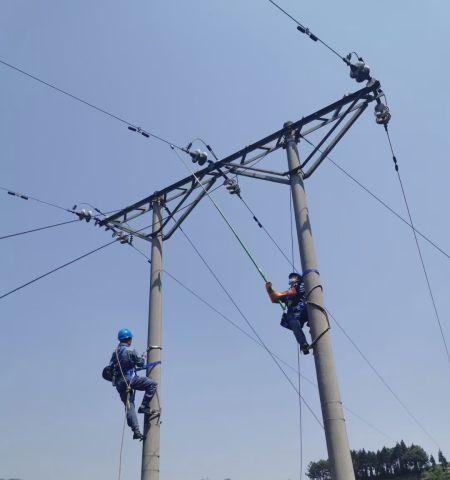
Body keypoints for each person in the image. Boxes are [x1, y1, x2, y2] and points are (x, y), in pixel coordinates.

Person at [109, 328, 159, 441]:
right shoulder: (131, 350)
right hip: (130, 379)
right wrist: (143, 358)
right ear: (129, 339)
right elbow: (141, 362)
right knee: (152, 384)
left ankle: (136, 431)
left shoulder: (115, 352)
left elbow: (110, 367)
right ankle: (144, 406)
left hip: (119, 383)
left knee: (129, 405)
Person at [265, 272, 310, 355]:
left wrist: (281, 294)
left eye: (293, 278)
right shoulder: (288, 295)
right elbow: (274, 298)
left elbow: (293, 291)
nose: (292, 280)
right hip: (295, 317)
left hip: (305, 310)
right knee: (292, 322)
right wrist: (269, 289)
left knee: (309, 305)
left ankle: (312, 321)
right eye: (291, 279)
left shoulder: (301, 285)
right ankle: (303, 344)